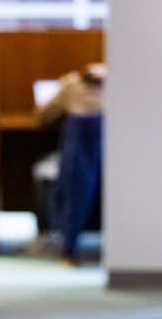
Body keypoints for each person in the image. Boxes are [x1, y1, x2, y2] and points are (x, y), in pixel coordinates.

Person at [27, 63, 106, 263]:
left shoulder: (72, 83)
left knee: (73, 190)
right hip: (110, 148)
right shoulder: (120, 84)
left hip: (81, 146)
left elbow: (43, 114)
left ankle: (68, 249)